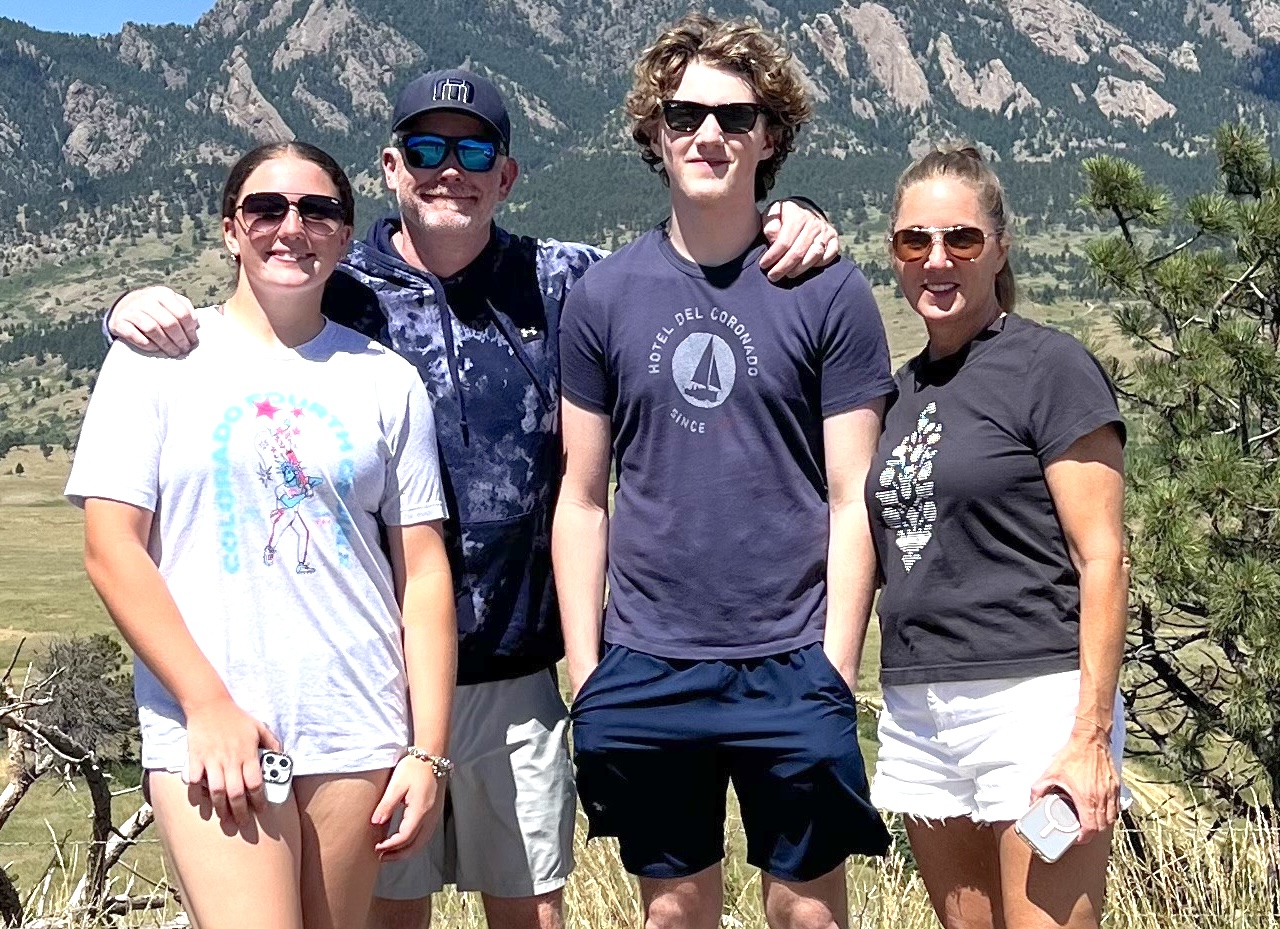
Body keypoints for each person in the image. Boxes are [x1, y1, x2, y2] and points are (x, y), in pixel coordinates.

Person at [103, 68, 841, 929]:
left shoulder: (568, 282)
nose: (446, 169)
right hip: (380, 684)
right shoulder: (335, 282)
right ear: (389, 166)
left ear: (506, 174)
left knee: (532, 915)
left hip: (518, 672)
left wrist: (795, 213)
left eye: (472, 150)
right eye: (424, 147)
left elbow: (687, 260)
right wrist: (126, 307)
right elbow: (236, 314)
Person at [555, 14, 893, 929]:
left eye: (734, 117)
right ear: (655, 133)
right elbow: (582, 497)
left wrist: (833, 663)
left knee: (809, 913)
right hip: (647, 657)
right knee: (672, 913)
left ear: (769, 135)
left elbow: (852, 496)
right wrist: (589, 672)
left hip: (792, 656)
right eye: (684, 114)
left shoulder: (828, 290)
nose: (708, 134)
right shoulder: (603, 298)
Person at [66, 141, 456, 929]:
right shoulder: (156, 361)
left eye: (318, 211)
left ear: (345, 234)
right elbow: (111, 546)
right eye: (266, 208)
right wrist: (205, 701)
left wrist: (428, 750)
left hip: (358, 724)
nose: (292, 227)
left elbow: (422, 572)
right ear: (230, 229)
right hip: (209, 726)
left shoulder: (386, 380)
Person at [866, 144, 1128, 929]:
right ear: (896, 255)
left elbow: (1103, 556)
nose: (937, 259)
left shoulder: (1050, 368)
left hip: (1035, 703)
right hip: (920, 708)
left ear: (1000, 247)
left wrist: (1087, 734)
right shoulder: (900, 391)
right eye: (916, 241)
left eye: (961, 239)